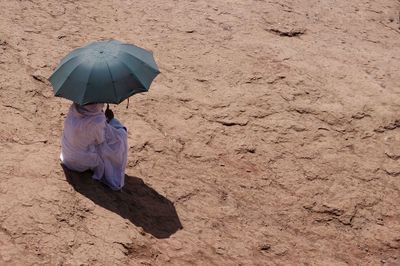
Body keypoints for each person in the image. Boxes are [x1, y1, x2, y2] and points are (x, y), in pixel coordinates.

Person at [60, 103, 128, 190]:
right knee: (120, 137)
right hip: (80, 164)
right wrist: (108, 120)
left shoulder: (73, 109)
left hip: (67, 157)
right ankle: (111, 173)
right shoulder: (98, 120)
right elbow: (100, 140)